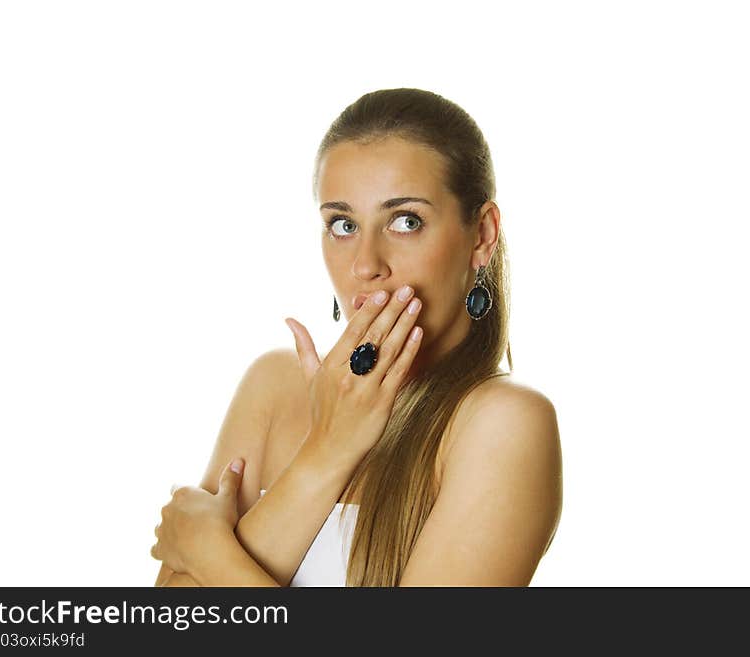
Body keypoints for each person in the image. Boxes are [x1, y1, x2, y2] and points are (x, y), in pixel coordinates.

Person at [150, 87, 562, 586]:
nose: (366, 265)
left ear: (482, 235)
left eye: (406, 221)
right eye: (343, 225)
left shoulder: (503, 424)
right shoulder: (273, 388)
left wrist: (211, 553)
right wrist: (327, 448)